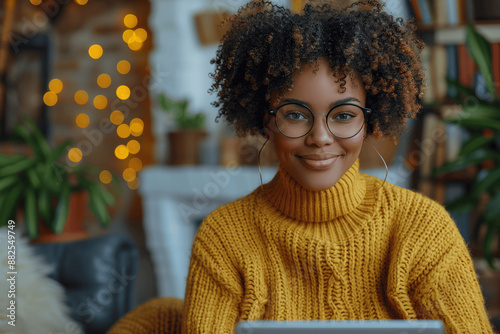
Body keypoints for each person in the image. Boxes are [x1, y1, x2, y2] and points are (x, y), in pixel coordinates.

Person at [109, 1, 494, 333]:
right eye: (295, 114)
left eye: (344, 116)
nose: (320, 137)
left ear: (371, 121)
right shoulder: (223, 238)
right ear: (265, 120)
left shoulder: (423, 229)